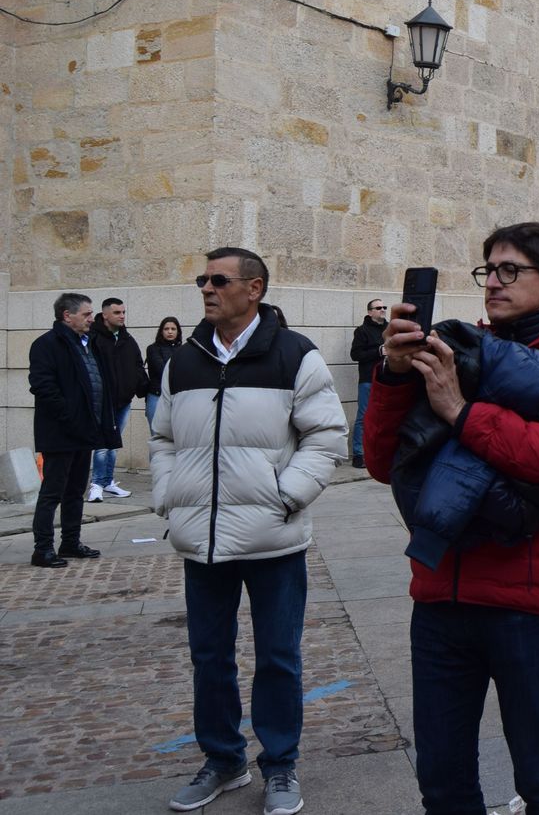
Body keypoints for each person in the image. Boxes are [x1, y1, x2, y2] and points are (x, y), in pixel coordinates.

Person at [363, 222, 539, 814]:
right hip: (439, 595)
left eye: (512, 271)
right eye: (489, 271)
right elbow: (382, 462)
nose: (494, 283)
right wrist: (396, 376)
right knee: (443, 783)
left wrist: (460, 410)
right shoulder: (461, 350)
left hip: (526, 602)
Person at [150, 247, 344, 815]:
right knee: (209, 657)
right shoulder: (181, 361)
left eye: (219, 280)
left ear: (253, 288)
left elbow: (327, 437)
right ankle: (223, 759)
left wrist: (285, 496)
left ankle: (280, 764)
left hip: (272, 539)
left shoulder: (295, 356)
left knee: (278, 656)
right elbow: (162, 437)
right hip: (201, 541)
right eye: (201, 280)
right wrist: (167, 495)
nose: (206, 289)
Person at [28, 293, 120, 568]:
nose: (92, 318)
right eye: (87, 314)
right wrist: (69, 417)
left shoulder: (89, 344)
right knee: (52, 493)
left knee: (75, 490)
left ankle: (70, 541)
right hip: (60, 432)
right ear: (67, 316)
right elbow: (43, 386)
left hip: (85, 431)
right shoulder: (46, 345)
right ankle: (42, 549)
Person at [88, 297, 149, 500]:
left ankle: (107, 482)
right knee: (102, 444)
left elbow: (137, 366)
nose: (122, 316)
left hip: (123, 401)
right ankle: (96, 483)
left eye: (123, 312)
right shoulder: (93, 338)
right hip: (102, 402)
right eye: (117, 312)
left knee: (113, 443)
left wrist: (142, 389)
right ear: (105, 314)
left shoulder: (127, 339)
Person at [348, 297, 389, 469]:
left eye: (384, 307)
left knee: (386, 417)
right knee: (363, 416)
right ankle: (359, 454)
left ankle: (382, 453)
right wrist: (379, 351)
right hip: (368, 379)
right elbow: (355, 354)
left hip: (388, 379)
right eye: (378, 307)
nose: (382, 310)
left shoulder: (390, 329)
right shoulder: (362, 331)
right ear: (370, 311)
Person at [145, 316, 184, 428]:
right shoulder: (153, 348)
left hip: (177, 396)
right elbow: (162, 370)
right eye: (166, 329)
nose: (170, 332)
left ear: (178, 331)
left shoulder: (183, 349)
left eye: (173, 329)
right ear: (161, 331)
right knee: (156, 434)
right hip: (157, 395)